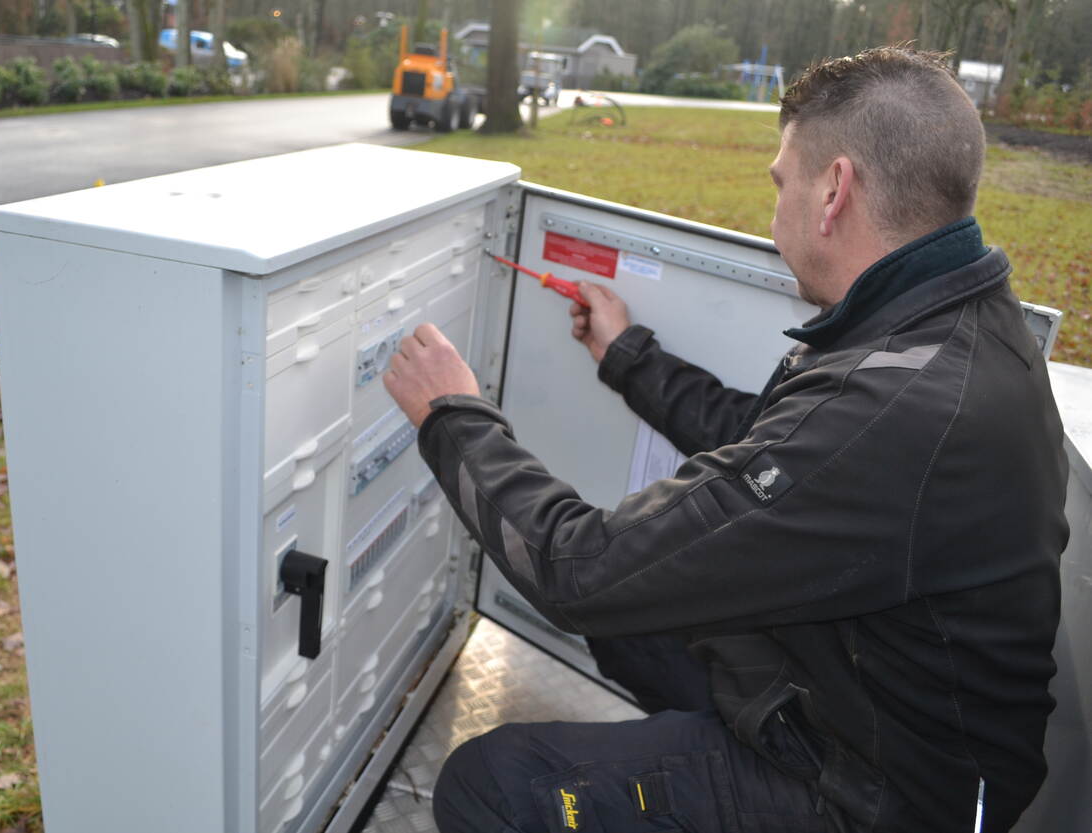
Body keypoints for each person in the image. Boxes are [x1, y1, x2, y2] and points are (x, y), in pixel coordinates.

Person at [382, 47, 1068, 833]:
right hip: (858, 695)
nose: (772, 207)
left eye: (781, 181)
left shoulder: (897, 405)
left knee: (493, 782)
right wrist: (628, 357)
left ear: (834, 191)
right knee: (634, 614)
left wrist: (452, 415)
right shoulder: (947, 323)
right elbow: (774, 449)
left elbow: (578, 573)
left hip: (880, 797)